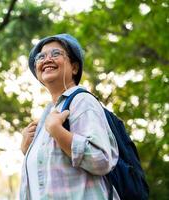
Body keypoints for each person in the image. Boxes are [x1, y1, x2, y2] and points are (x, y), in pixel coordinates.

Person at [19, 33, 120, 200]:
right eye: (41, 56)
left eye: (56, 54)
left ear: (74, 68)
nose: (47, 59)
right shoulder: (49, 113)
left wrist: (57, 131)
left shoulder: (81, 100)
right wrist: (28, 150)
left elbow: (101, 160)